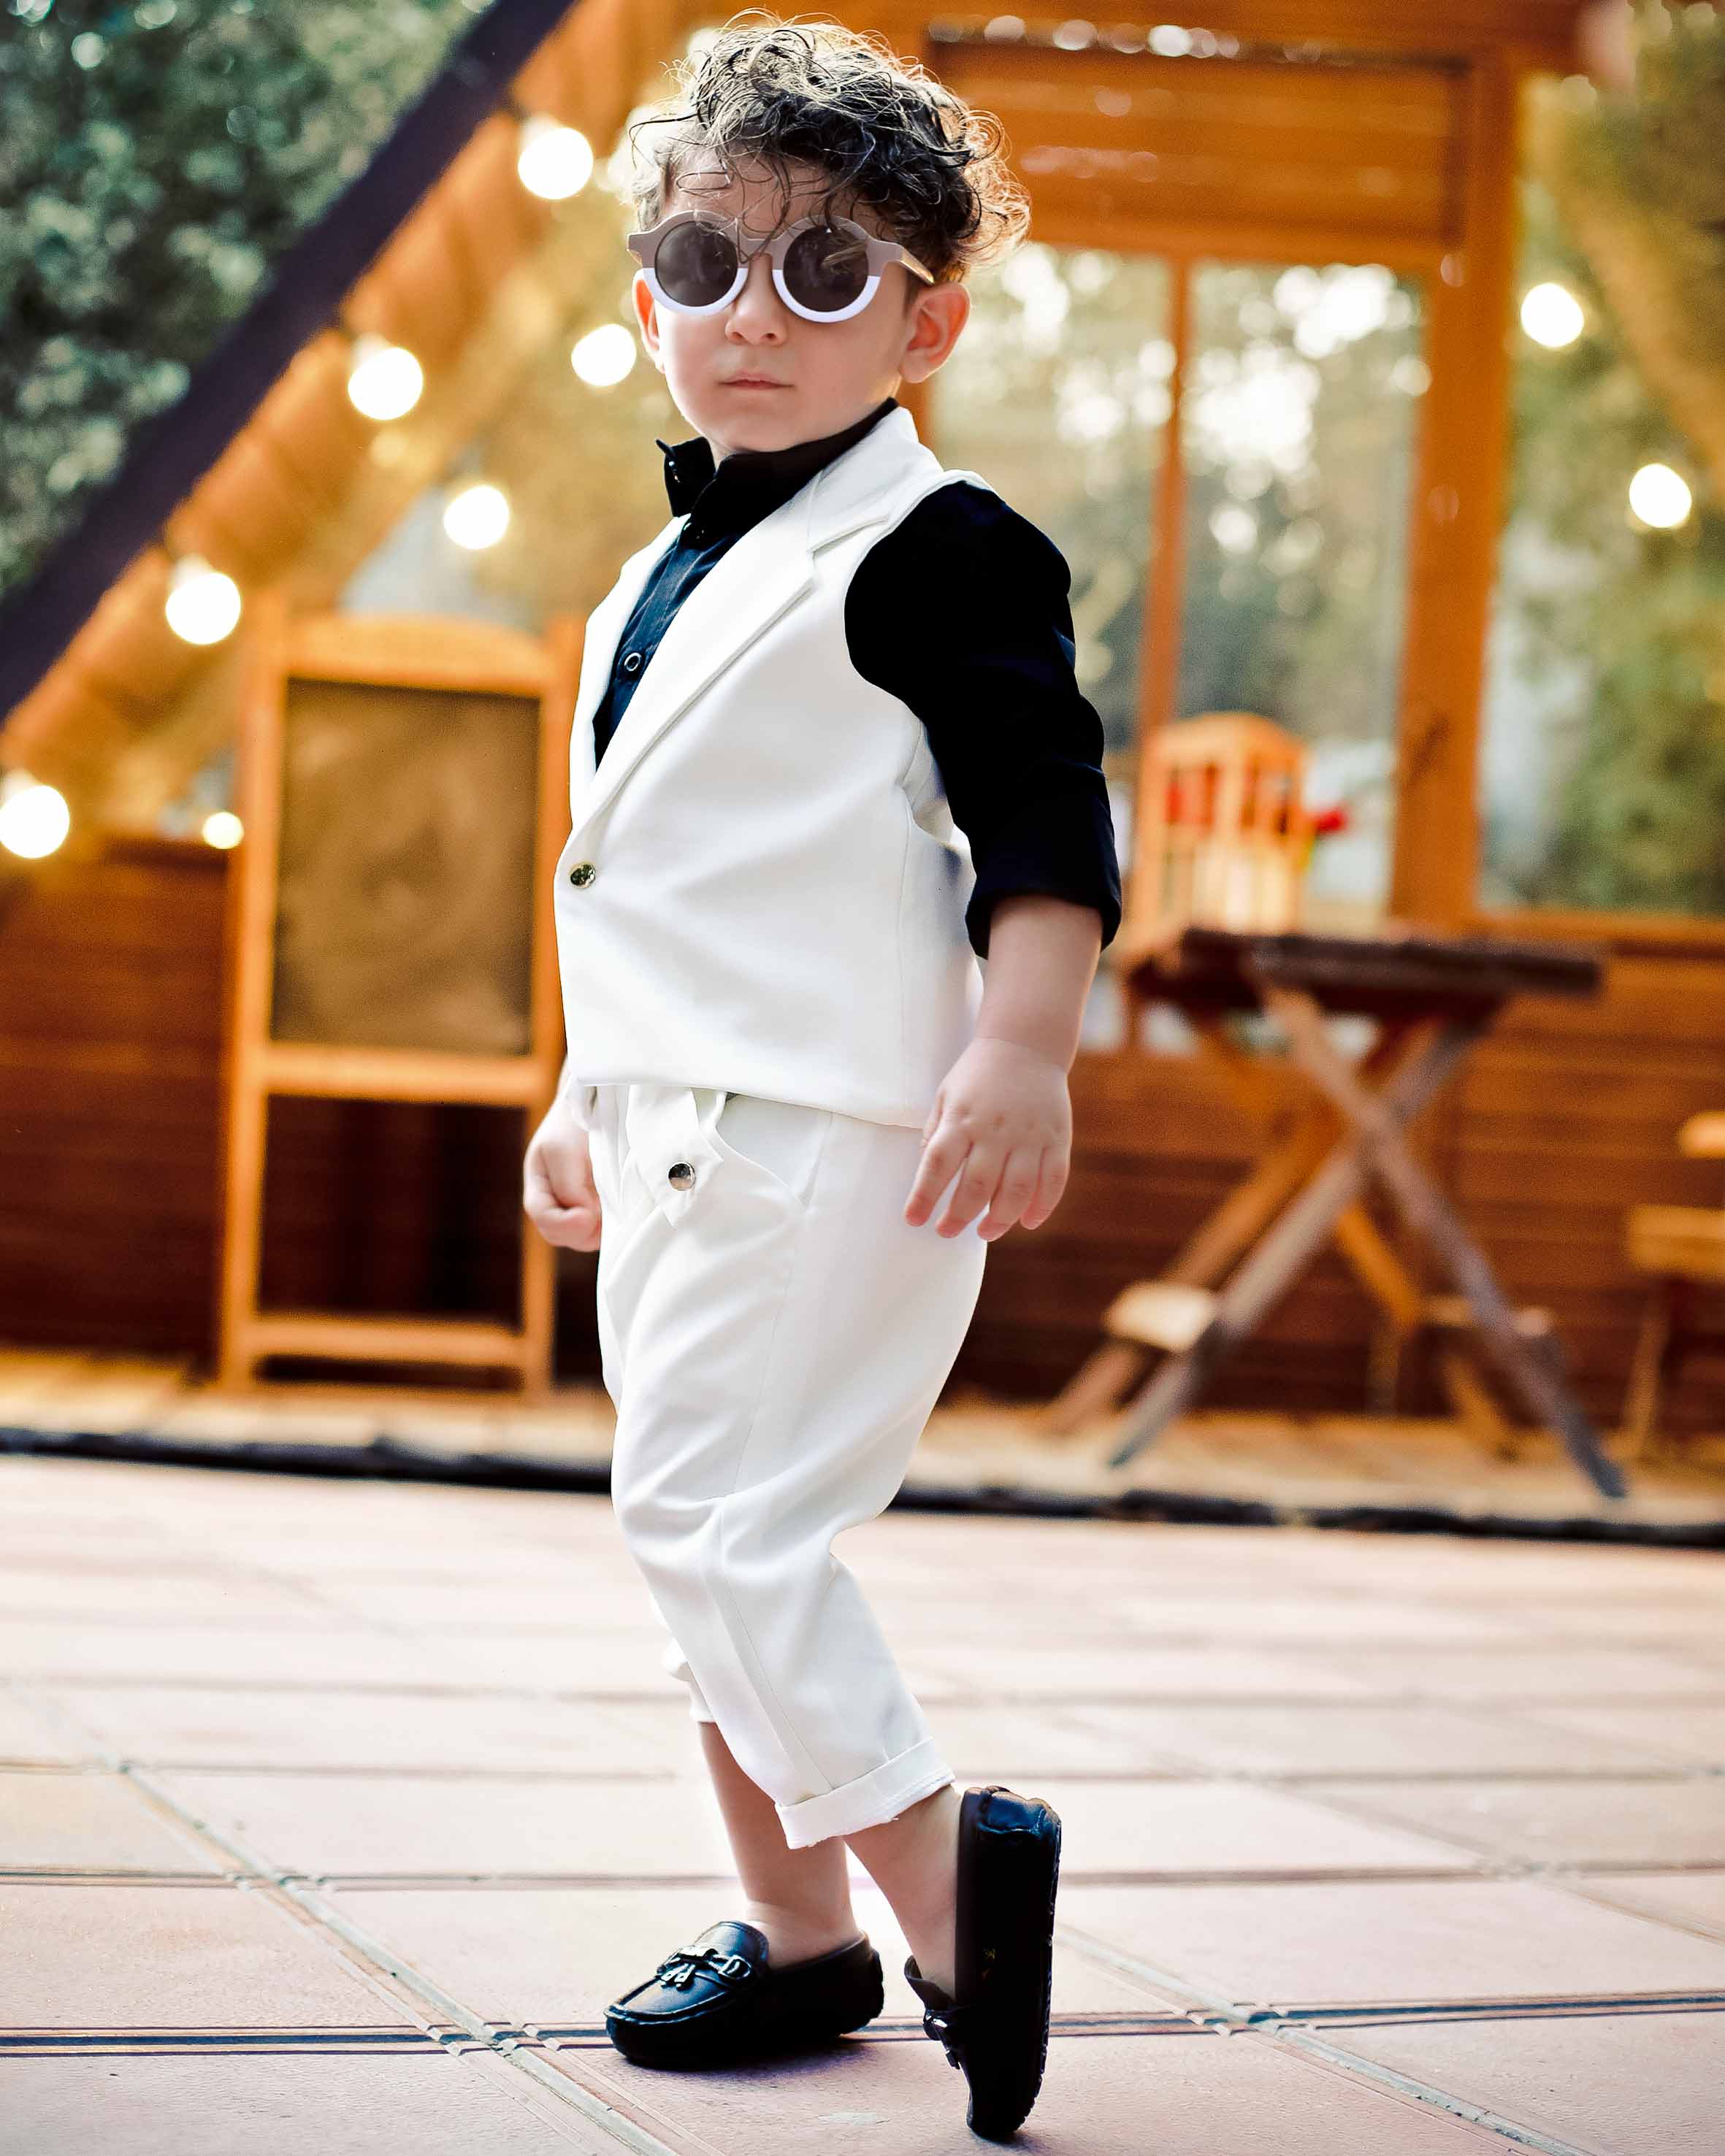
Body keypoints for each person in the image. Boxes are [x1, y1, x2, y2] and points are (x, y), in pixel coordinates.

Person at [522, 15, 1120, 2140]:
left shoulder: (942, 547)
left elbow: (1042, 815)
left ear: (924, 319)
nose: (753, 315)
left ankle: (949, 1892)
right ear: (648, 302)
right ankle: (792, 1932)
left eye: (824, 269)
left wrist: (1022, 1043)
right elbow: (641, 872)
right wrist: (583, 1085)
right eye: (707, 264)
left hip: (836, 1133)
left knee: (724, 1525)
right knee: (696, 1535)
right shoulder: (651, 575)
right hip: (679, 1127)